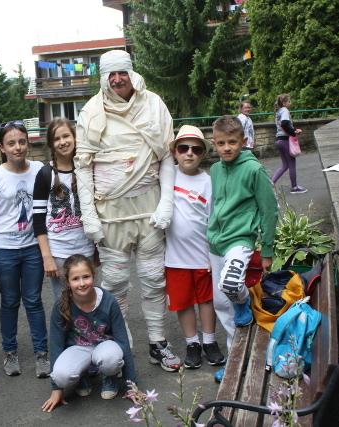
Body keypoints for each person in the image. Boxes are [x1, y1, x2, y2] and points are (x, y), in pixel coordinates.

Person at [75, 49, 180, 371]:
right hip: (111, 215)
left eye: (122, 72)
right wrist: (89, 216)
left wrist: (166, 202)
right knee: (115, 283)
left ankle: (158, 342)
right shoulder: (91, 112)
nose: (118, 79)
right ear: (103, 78)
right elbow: (83, 167)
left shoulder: (154, 105)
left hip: (150, 211)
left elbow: (167, 156)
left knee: (153, 278)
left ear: (131, 73)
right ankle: (121, 345)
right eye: (112, 74)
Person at [207, 115, 278, 382]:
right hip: (216, 242)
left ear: (243, 141)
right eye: (221, 143)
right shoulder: (215, 170)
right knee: (221, 304)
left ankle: (244, 302)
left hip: (240, 240)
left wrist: (267, 250)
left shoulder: (254, 170)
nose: (227, 148)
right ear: (214, 143)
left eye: (232, 142)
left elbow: (269, 210)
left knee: (231, 285)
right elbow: (216, 205)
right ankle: (236, 360)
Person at [0, 120, 50, 378]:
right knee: (9, 301)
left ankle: (41, 353)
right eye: (11, 143)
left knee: (33, 300)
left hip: (33, 247)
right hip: (4, 249)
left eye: (21, 141)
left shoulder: (41, 170)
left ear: (28, 143)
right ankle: (10, 352)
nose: (17, 147)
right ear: (2, 147)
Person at [163, 125, 225, 369]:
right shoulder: (167, 175)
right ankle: (192, 343)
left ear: (203, 154)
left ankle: (209, 341)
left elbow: (213, 218)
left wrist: (214, 254)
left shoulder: (208, 182)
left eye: (196, 149)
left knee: (207, 300)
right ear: (174, 151)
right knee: (184, 302)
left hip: (202, 254)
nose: (189, 153)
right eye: (183, 148)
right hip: (174, 257)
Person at [41, 254, 136, 412]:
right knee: (61, 376)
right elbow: (56, 344)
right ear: (68, 282)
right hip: (79, 348)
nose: (82, 283)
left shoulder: (108, 301)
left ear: (93, 275)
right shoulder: (61, 305)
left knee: (111, 359)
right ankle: (81, 376)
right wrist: (56, 389)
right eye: (75, 279)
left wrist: (131, 386)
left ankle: (110, 376)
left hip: (105, 346)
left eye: (86, 277)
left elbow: (123, 341)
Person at [32, 118, 95, 302]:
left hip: (86, 249)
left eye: (66, 136)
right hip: (59, 252)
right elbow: (38, 220)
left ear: (75, 138)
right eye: (57, 139)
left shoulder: (86, 169)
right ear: (51, 144)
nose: (63, 142)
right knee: (64, 303)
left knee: (87, 300)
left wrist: (98, 250)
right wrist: (47, 257)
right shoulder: (45, 174)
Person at [271, 94, 307, 194]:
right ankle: (294, 187)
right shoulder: (284, 110)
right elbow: (285, 124)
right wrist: (294, 132)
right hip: (285, 140)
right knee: (291, 164)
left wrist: (293, 130)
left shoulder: (278, 111)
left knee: (285, 165)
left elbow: (283, 125)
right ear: (284, 103)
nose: (290, 103)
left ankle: (270, 183)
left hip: (279, 140)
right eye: (289, 101)